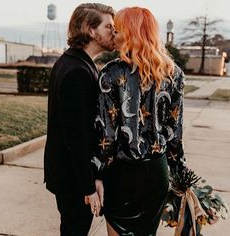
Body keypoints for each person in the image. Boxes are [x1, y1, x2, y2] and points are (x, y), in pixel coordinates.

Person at [93, 7, 186, 236]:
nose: (113, 35)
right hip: (157, 172)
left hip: (123, 175)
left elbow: (107, 135)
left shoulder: (111, 74)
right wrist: (180, 173)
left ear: (130, 33)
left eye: (118, 30)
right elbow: (175, 132)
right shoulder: (174, 74)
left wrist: (96, 173)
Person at [43, 3, 115, 236]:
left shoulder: (74, 62)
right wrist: (88, 186)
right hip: (73, 180)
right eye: (108, 27)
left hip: (69, 175)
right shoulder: (77, 71)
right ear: (90, 30)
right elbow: (76, 135)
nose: (114, 32)